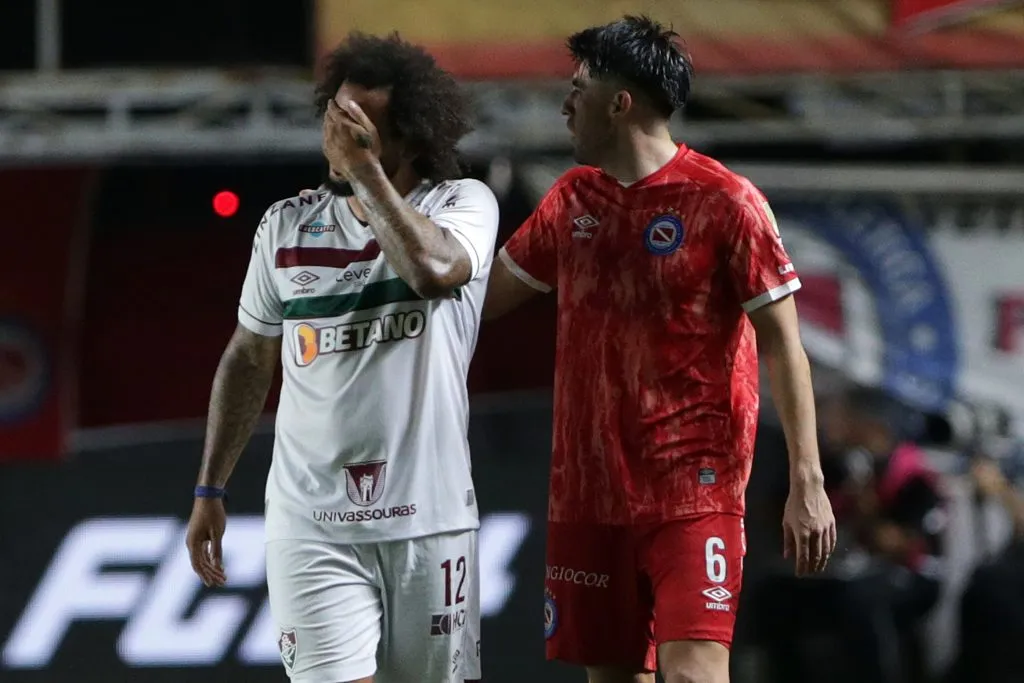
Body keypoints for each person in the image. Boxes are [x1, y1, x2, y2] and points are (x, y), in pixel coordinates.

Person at [481, 14, 836, 683]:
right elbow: (476, 305)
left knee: (693, 674)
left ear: (619, 103)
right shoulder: (570, 202)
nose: (565, 105)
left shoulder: (726, 202)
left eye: (578, 89)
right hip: (587, 496)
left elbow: (785, 345)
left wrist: (806, 481)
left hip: (694, 490)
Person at [184, 32, 499, 683]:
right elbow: (249, 356)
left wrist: (364, 172)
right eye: (336, 114)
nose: (339, 134)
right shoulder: (285, 226)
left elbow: (433, 271)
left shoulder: (462, 204)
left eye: (360, 125)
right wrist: (210, 486)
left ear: (408, 136)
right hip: (312, 523)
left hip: (430, 519)